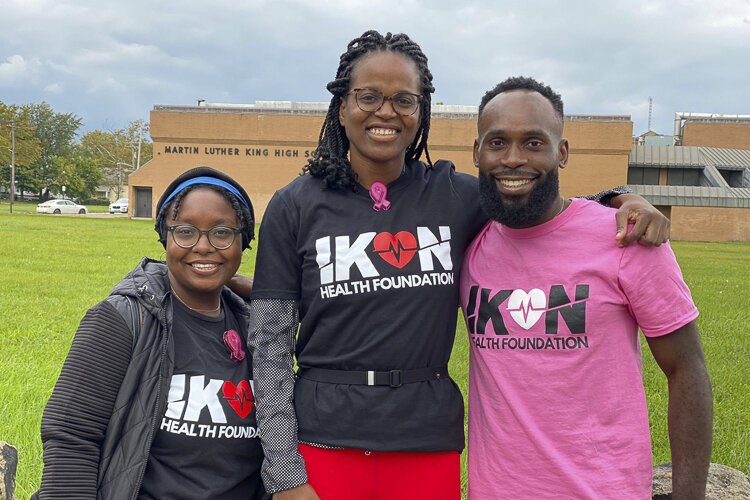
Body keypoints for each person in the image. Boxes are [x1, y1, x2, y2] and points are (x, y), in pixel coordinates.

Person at [248, 31, 671, 500]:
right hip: (322, 438)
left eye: (403, 99)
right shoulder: (294, 206)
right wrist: (285, 473)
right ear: (342, 106)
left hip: (425, 441)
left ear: (421, 110)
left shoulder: (454, 196)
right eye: (368, 96)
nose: (385, 112)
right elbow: (269, 345)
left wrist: (617, 199)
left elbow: (534, 199)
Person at [460, 76, 712, 499]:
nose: (514, 158)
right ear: (478, 153)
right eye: (497, 142)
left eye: (534, 143)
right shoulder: (470, 243)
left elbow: (686, 369)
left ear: (562, 153)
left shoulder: (626, 238)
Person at [35, 167, 267, 499]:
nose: (203, 246)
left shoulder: (257, 329)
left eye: (222, 233)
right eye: (185, 232)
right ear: (165, 238)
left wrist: (263, 292)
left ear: (243, 241)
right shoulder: (123, 319)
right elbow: (71, 435)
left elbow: (330, 328)